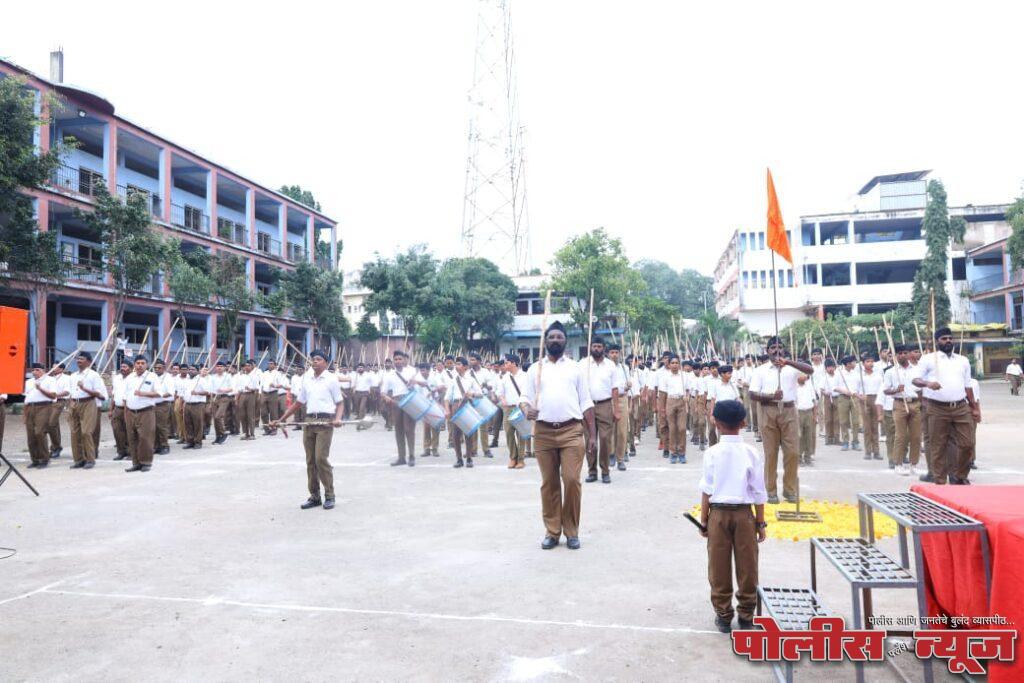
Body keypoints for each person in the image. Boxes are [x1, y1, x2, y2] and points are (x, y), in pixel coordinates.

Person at [521, 321, 595, 550]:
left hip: (571, 431)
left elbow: (586, 402)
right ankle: (552, 532)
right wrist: (526, 410)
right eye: (551, 337)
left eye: (559, 337)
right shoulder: (535, 369)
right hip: (543, 432)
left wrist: (592, 435)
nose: (555, 340)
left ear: (565, 341)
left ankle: (572, 531)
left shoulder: (575, 368)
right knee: (549, 483)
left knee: (571, 480)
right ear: (545, 341)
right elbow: (524, 399)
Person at [697, 399, 768, 634]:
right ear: (743, 423)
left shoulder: (712, 453)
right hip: (744, 515)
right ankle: (746, 615)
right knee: (748, 566)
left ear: (716, 423)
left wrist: (704, 520)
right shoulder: (751, 452)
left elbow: (706, 490)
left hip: (718, 514)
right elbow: (758, 492)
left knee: (718, 566)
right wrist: (760, 522)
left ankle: (724, 614)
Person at [274, 349, 344, 509]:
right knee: (310, 460)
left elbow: (340, 402)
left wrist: (338, 418)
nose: (315, 361)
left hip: (325, 422)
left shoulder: (331, 379)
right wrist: (282, 419)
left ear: (326, 363)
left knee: (320, 459)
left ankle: (330, 495)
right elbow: (298, 403)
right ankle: (314, 496)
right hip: (309, 421)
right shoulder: (307, 378)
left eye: (319, 359)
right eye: (313, 359)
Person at [748, 337, 813, 505]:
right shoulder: (760, 370)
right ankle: (770, 491)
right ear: (767, 351)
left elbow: (810, 370)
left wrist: (789, 362)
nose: (777, 350)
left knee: (793, 452)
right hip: (768, 411)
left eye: (780, 347)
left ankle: (790, 490)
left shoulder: (791, 368)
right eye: (773, 348)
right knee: (771, 453)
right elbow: (752, 394)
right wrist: (772, 396)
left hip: (789, 411)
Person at [913, 328, 980, 485]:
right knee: (938, 446)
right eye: (944, 338)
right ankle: (940, 480)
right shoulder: (928, 359)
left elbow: (968, 385)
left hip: (961, 406)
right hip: (937, 407)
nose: (948, 340)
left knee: (967, 443)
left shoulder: (963, 360)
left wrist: (974, 407)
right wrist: (928, 383)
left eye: (950, 338)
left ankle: (959, 475)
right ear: (937, 341)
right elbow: (915, 380)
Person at [578, 336, 622, 484]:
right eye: (594, 346)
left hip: (605, 405)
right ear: (590, 347)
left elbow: (615, 389)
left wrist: (617, 410)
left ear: (604, 348)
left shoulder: (610, 365)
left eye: (599, 346)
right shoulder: (583, 364)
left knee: (604, 439)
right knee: (589, 440)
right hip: (587, 406)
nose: (596, 349)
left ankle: (605, 471)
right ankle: (592, 471)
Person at [884, 344, 922, 475]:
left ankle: (914, 464)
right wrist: (896, 390)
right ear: (895, 356)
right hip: (899, 404)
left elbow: (921, 389)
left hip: (915, 403)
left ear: (909, 354)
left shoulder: (917, 370)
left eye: (905, 353)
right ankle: (898, 464)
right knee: (900, 435)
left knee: (916, 436)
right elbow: (886, 390)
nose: (902, 355)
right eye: (899, 353)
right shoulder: (890, 372)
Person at [381, 350, 422, 467]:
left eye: (400, 359)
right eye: (396, 359)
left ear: (404, 360)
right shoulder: (389, 375)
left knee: (409, 429)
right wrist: (387, 398)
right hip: (396, 401)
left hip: (409, 400)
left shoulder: (411, 372)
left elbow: (419, 387)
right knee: (398, 430)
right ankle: (401, 457)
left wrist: (414, 384)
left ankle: (412, 456)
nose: (398, 361)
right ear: (393, 361)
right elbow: (383, 391)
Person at [67, 352, 107, 470]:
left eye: (82, 359)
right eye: (78, 358)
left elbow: (100, 394)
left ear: (89, 362)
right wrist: (70, 405)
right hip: (75, 403)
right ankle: (79, 459)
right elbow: (71, 392)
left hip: (88, 403)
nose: (79, 360)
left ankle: (90, 459)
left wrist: (84, 388)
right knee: (74, 433)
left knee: (86, 432)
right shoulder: (73, 376)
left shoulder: (93, 375)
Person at [123, 355, 160, 472]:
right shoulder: (130, 377)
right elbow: (125, 396)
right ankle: (136, 463)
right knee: (132, 438)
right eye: (138, 363)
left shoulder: (152, 376)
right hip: (130, 411)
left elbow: (159, 393)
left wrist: (143, 393)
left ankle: (146, 462)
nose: (140, 365)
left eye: (142, 363)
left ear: (147, 365)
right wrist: (125, 412)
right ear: (134, 365)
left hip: (146, 412)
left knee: (145, 438)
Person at [445, 356, 483, 468]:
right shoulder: (453, 380)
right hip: (456, 406)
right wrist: (447, 410)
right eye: (456, 364)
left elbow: (480, 394)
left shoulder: (471, 380)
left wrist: (472, 394)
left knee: (468, 433)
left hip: (467, 406)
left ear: (465, 367)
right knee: (456, 434)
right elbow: (447, 398)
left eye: (459, 364)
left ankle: (469, 458)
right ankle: (459, 459)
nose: (456, 366)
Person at [23, 363, 57, 468]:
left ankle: (44, 459)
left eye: (37, 370)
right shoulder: (29, 382)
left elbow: (53, 396)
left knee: (40, 432)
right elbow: (26, 399)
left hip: (44, 407)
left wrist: (40, 388)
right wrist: (24, 414)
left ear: (43, 371)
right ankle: (35, 459)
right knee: (31, 435)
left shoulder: (50, 380)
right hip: (30, 407)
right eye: (33, 370)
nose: (34, 372)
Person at [661, 355, 689, 464]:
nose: (674, 365)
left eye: (676, 363)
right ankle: (673, 453)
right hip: (670, 401)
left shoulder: (684, 376)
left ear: (679, 364)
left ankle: (682, 453)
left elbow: (688, 390)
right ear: (669, 365)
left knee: (682, 428)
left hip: (681, 401)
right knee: (672, 429)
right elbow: (663, 394)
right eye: (672, 363)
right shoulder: (665, 377)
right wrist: (662, 409)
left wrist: (687, 396)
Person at [834, 355, 862, 451]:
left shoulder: (856, 373)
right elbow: (834, 387)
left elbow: (859, 387)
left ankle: (855, 442)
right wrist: (845, 391)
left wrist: (858, 395)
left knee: (856, 421)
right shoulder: (839, 373)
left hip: (854, 397)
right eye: (854, 362)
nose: (855, 363)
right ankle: (845, 442)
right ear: (848, 364)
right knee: (843, 421)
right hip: (843, 398)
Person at [859, 354, 883, 461]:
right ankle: (868, 451)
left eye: (872, 361)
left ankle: (876, 451)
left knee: (875, 426)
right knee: (867, 427)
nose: (870, 363)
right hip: (864, 399)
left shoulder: (878, 375)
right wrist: (860, 396)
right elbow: (855, 390)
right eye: (867, 361)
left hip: (876, 399)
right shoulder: (860, 376)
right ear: (863, 363)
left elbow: (881, 389)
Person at [110, 361, 132, 460]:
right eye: (122, 366)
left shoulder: (133, 378)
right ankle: (121, 452)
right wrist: (111, 410)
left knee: (130, 431)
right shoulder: (117, 379)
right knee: (117, 430)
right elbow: (114, 395)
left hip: (130, 409)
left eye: (125, 367)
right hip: (118, 408)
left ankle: (131, 452)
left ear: (130, 368)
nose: (122, 368)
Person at [152, 359, 174, 455]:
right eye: (155, 368)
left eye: (159, 368)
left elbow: (170, 393)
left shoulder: (168, 378)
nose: (157, 369)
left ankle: (165, 446)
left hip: (163, 404)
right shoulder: (153, 377)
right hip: (152, 405)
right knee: (153, 427)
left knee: (162, 426)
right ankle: (156, 446)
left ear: (164, 368)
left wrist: (158, 395)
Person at [795, 373, 817, 466]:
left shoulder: (809, 385)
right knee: (799, 436)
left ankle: (808, 457)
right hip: (798, 413)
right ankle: (799, 458)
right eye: (803, 374)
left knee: (809, 436)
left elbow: (814, 401)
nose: (806, 377)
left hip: (809, 412)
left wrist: (815, 415)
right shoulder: (793, 386)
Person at [210, 361, 234, 445]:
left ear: (224, 368)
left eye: (221, 366)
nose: (219, 368)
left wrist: (223, 390)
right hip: (215, 398)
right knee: (215, 418)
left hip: (224, 398)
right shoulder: (213, 377)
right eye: (218, 366)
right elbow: (211, 389)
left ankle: (223, 433)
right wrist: (211, 399)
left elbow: (231, 389)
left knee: (218, 416)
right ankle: (218, 436)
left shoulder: (228, 376)